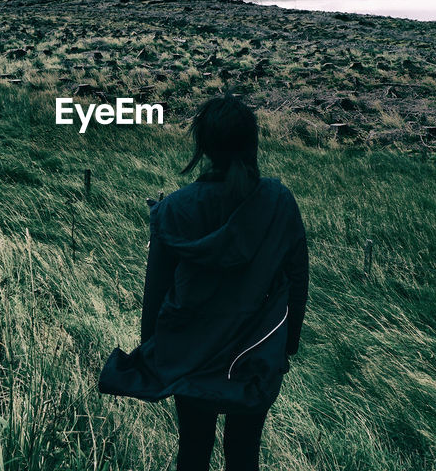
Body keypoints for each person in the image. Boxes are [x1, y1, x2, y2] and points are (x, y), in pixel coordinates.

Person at [99, 93, 309, 471]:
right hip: (254, 356)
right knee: (244, 453)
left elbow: (156, 292)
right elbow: (297, 281)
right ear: (251, 143)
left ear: (205, 146)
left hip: (189, 354)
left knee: (193, 448)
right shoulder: (278, 203)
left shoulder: (174, 210)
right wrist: (286, 348)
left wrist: (154, 355)